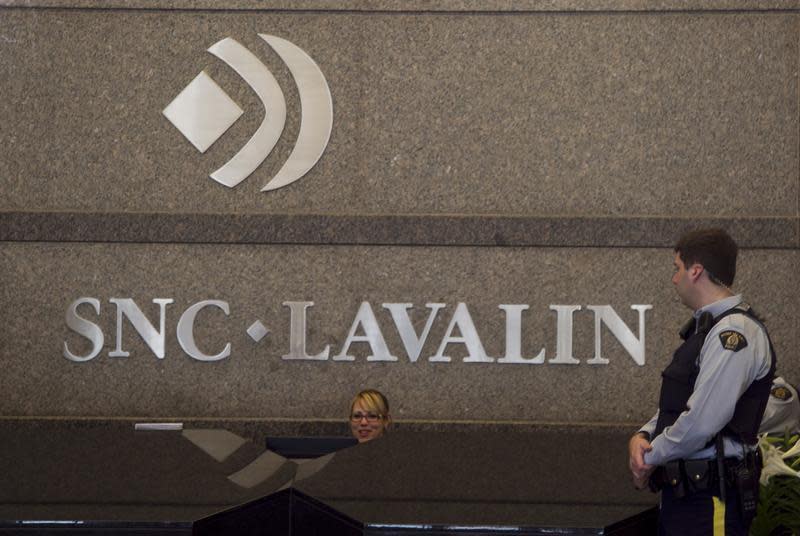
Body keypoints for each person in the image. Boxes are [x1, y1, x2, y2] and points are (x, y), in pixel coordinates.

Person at [628, 228, 776, 535]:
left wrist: (649, 458)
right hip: (687, 496)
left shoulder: (733, 333)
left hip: (710, 501)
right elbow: (682, 401)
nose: (674, 279)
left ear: (696, 271)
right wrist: (643, 435)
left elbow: (701, 423)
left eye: (677, 268)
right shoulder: (708, 330)